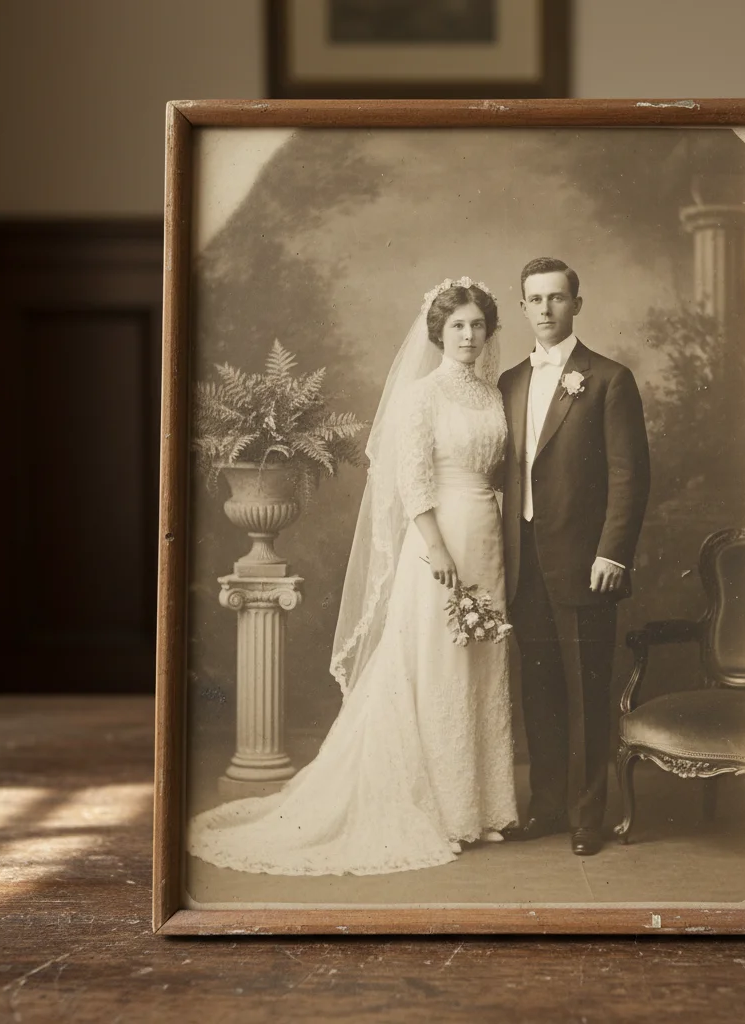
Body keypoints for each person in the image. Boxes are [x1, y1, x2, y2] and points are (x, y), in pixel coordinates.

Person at [188, 277, 518, 876]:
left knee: (478, 664)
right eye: (457, 327)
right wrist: (437, 548)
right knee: (437, 665)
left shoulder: (490, 394)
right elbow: (412, 480)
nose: (469, 337)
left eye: (477, 326)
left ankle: (482, 809)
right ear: (437, 334)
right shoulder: (422, 396)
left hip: (488, 538)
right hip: (438, 543)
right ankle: (444, 809)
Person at [498, 257, 650, 857]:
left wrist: (613, 552)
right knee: (538, 690)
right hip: (523, 562)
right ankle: (548, 806)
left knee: (586, 692)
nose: (545, 310)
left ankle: (589, 815)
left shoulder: (609, 379)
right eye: (534, 300)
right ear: (522, 307)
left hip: (585, 562)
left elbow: (629, 476)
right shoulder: (510, 380)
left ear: (576, 305)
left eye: (556, 298)